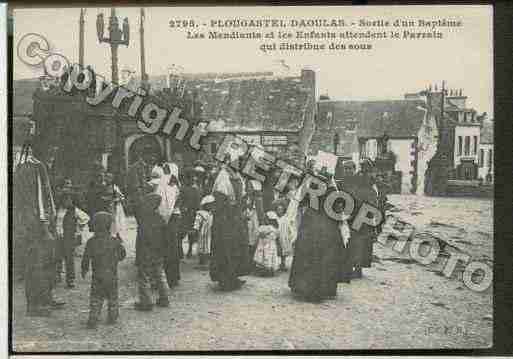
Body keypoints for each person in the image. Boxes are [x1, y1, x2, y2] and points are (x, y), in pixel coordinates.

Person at [14, 143, 65, 316]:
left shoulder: (35, 166)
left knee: (47, 262)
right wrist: (45, 227)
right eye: (51, 153)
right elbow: (37, 202)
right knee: (36, 264)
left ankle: (45, 298)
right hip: (35, 226)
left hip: (42, 224)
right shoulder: (33, 168)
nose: (53, 158)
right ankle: (35, 305)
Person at [288, 186, 347, 303]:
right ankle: (325, 288)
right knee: (325, 258)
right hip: (325, 227)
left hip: (312, 224)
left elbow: (300, 205)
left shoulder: (312, 189)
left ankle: (305, 288)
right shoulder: (332, 191)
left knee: (310, 257)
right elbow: (338, 212)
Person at [81, 212, 126, 329]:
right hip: (112, 275)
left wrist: (84, 269)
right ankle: (112, 316)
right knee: (113, 297)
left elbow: (86, 258)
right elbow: (122, 256)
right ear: (109, 226)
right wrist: (119, 241)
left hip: (97, 276)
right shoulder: (114, 241)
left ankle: (93, 318)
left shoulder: (91, 242)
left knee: (96, 298)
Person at [209, 165, 249, 291]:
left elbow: (242, 197)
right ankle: (225, 280)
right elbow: (219, 200)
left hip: (235, 218)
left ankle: (234, 277)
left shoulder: (238, 177)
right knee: (225, 249)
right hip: (224, 219)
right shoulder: (223, 177)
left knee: (236, 248)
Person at [134, 192, 170, 311]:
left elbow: (140, 239)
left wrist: (138, 255)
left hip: (145, 253)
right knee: (160, 275)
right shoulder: (160, 219)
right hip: (158, 252)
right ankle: (165, 297)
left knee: (144, 277)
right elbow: (166, 237)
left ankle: (146, 302)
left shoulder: (143, 220)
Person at [56, 192, 90, 288]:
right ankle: (57, 276)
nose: (67, 202)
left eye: (69, 200)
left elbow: (86, 218)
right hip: (58, 236)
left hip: (68, 236)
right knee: (57, 256)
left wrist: (78, 228)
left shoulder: (74, 210)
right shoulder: (58, 209)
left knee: (69, 258)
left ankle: (70, 279)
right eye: (65, 200)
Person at [179, 169, 202, 258]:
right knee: (190, 233)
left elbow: (181, 201)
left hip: (187, 213)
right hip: (191, 213)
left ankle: (185, 251)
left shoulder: (184, 189)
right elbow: (198, 202)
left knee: (183, 233)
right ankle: (188, 250)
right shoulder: (196, 189)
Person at [253, 211, 280, 277]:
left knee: (269, 257)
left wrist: (267, 235)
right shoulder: (262, 227)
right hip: (262, 244)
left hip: (269, 245)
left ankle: (269, 271)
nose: (266, 220)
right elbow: (258, 233)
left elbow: (274, 236)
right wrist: (262, 235)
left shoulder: (273, 228)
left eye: (267, 219)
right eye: (265, 219)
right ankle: (263, 271)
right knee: (262, 257)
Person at [103, 172, 127, 241]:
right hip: (105, 206)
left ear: (112, 179)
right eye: (106, 177)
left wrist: (115, 199)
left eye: (109, 178)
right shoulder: (103, 186)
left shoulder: (115, 187)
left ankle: (116, 235)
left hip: (113, 206)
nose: (107, 179)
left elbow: (122, 197)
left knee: (114, 221)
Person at [192, 195, 215, 266]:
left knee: (209, 245)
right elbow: (197, 222)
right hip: (203, 232)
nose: (211, 206)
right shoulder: (200, 213)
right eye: (209, 205)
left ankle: (207, 259)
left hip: (210, 232)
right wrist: (196, 229)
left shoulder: (211, 214)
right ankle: (202, 259)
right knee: (202, 245)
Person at [242, 193, 259, 269]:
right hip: (247, 230)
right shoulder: (244, 210)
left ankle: (252, 264)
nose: (249, 202)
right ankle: (246, 264)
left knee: (253, 246)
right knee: (247, 247)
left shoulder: (256, 210)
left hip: (254, 230)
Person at [275, 200, 293, 272]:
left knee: (284, 250)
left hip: (284, 235)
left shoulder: (285, 219)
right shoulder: (275, 218)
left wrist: (290, 235)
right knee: (278, 249)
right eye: (278, 209)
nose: (279, 211)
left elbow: (289, 228)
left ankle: (283, 263)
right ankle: (277, 264)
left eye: (281, 209)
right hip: (277, 235)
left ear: (283, 210)